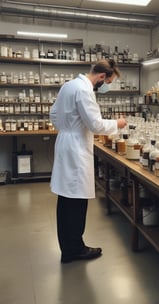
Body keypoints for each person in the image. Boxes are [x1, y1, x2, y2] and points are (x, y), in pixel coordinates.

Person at [49, 59, 127, 263]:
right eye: (108, 82)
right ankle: (76, 249)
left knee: (65, 198)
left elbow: (53, 113)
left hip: (66, 140)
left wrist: (67, 126)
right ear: (101, 76)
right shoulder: (85, 90)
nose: (106, 86)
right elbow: (96, 124)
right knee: (76, 200)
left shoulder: (68, 85)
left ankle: (68, 247)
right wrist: (117, 124)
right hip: (76, 147)